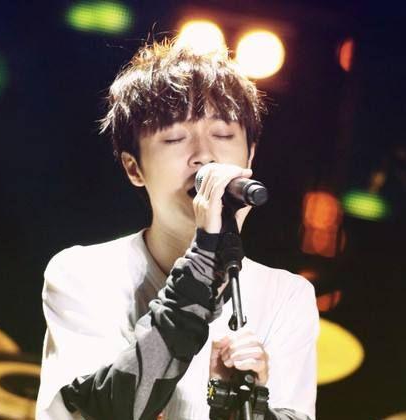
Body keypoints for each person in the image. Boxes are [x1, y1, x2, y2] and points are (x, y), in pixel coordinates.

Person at [36, 38, 319, 420]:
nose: (204, 156)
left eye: (223, 135)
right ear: (134, 167)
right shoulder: (82, 273)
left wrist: (234, 409)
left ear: (250, 155)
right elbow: (110, 409)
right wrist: (205, 258)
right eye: (173, 138)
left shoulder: (287, 296)